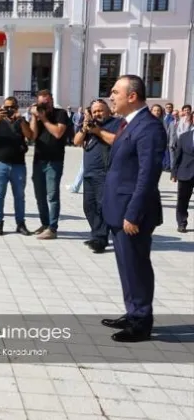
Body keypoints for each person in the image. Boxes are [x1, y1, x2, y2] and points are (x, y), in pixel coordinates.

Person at [102, 75, 166, 342]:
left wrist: (133, 212)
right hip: (119, 208)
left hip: (132, 213)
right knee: (126, 266)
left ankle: (141, 321)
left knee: (136, 265)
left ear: (132, 96)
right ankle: (133, 311)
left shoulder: (149, 128)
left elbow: (148, 175)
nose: (111, 97)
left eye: (116, 92)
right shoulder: (128, 124)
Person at [73, 99, 121, 254]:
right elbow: (76, 141)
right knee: (89, 207)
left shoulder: (116, 123)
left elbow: (116, 141)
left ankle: (100, 239)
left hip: (104, 172)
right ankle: (96, 235)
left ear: (107, 110)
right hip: (89, 173)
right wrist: (85, 129)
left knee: (102, 207)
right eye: (95, 111)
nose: (97, 114)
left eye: (100, 110)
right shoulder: (90, 125)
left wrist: (98, 132)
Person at [0, 97, 33, 236]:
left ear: (17, 108)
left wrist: (21, 120)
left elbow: (30, 136)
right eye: (7, 107)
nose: (9, 110)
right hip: (0, 164)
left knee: (19, 196)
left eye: (12, 107)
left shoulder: (21, 121)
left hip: (18, 165)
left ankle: (20, 224)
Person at [28, 89, 70, 239]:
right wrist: (34, 117)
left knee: (52, 195)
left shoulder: (61, 114)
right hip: (39, 160)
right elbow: (32, 136)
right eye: (40, 103)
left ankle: (53, 228)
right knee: (40, 195)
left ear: (51, 100)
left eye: (46, 102)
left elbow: (58, 133)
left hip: (55, 160)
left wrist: (44, 119)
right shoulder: (38, 116)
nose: (44, 106)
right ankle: (45, 224)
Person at [172, 124, 194, 233]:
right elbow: (177, 155)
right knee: (182, 201)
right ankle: (182, 223)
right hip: (185, 173)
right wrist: (174, 173)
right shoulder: (184, 136)